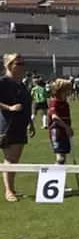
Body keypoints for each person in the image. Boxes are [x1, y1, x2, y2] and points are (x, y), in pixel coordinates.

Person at [1, 53, 34, 202]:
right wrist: (10, 108)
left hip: (21, 124)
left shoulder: (20, 83)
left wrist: (31, 122)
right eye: (18, 64)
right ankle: (8, 191)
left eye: (23, 64)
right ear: (9, 65)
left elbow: (26, 104)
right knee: (10, 159)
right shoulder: (3, 81)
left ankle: (12, 188)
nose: (22, 67)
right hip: (8, 124)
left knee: (16, 159)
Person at [47, 78, 74, 166]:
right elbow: (54, 117)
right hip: (57, 133)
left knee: (63, 157)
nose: (70, 92)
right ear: (60, 90)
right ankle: (52, 175)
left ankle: (59, 177)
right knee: (60, 158)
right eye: (68, 89)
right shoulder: (55, 102)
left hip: (64, 133)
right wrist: (67, 127)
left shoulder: (65, 103)